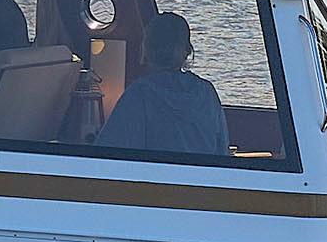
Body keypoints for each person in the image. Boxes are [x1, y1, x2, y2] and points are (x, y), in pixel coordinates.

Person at [90, 10, 228, 158]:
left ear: (146, 49)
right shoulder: (207, 92)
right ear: (187, 51)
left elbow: (107, 152)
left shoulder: (140, 94)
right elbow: (222, 151)